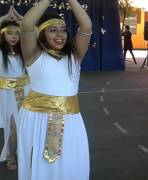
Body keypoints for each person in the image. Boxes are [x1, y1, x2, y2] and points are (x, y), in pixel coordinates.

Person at [17, 0, 92, 179]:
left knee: (71, 165)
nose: (60, 35)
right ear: (42, 33)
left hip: (71, 121)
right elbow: (27, 25)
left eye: (63, 30)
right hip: (37, 120)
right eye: (52, 30)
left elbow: (87, 25)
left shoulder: (75, 55)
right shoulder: (33, 55)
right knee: (41, 169)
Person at [0, 6, 28, 170]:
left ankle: (20, 153)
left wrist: (21, 21)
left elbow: (37, 35)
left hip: (24, 93)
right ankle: (11, 155)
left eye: (17, 33)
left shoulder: (24, 52)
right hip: (6, 95)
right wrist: (4, 18)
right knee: (14, 129)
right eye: (10, 32)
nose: (14, 36)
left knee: (23, 127)